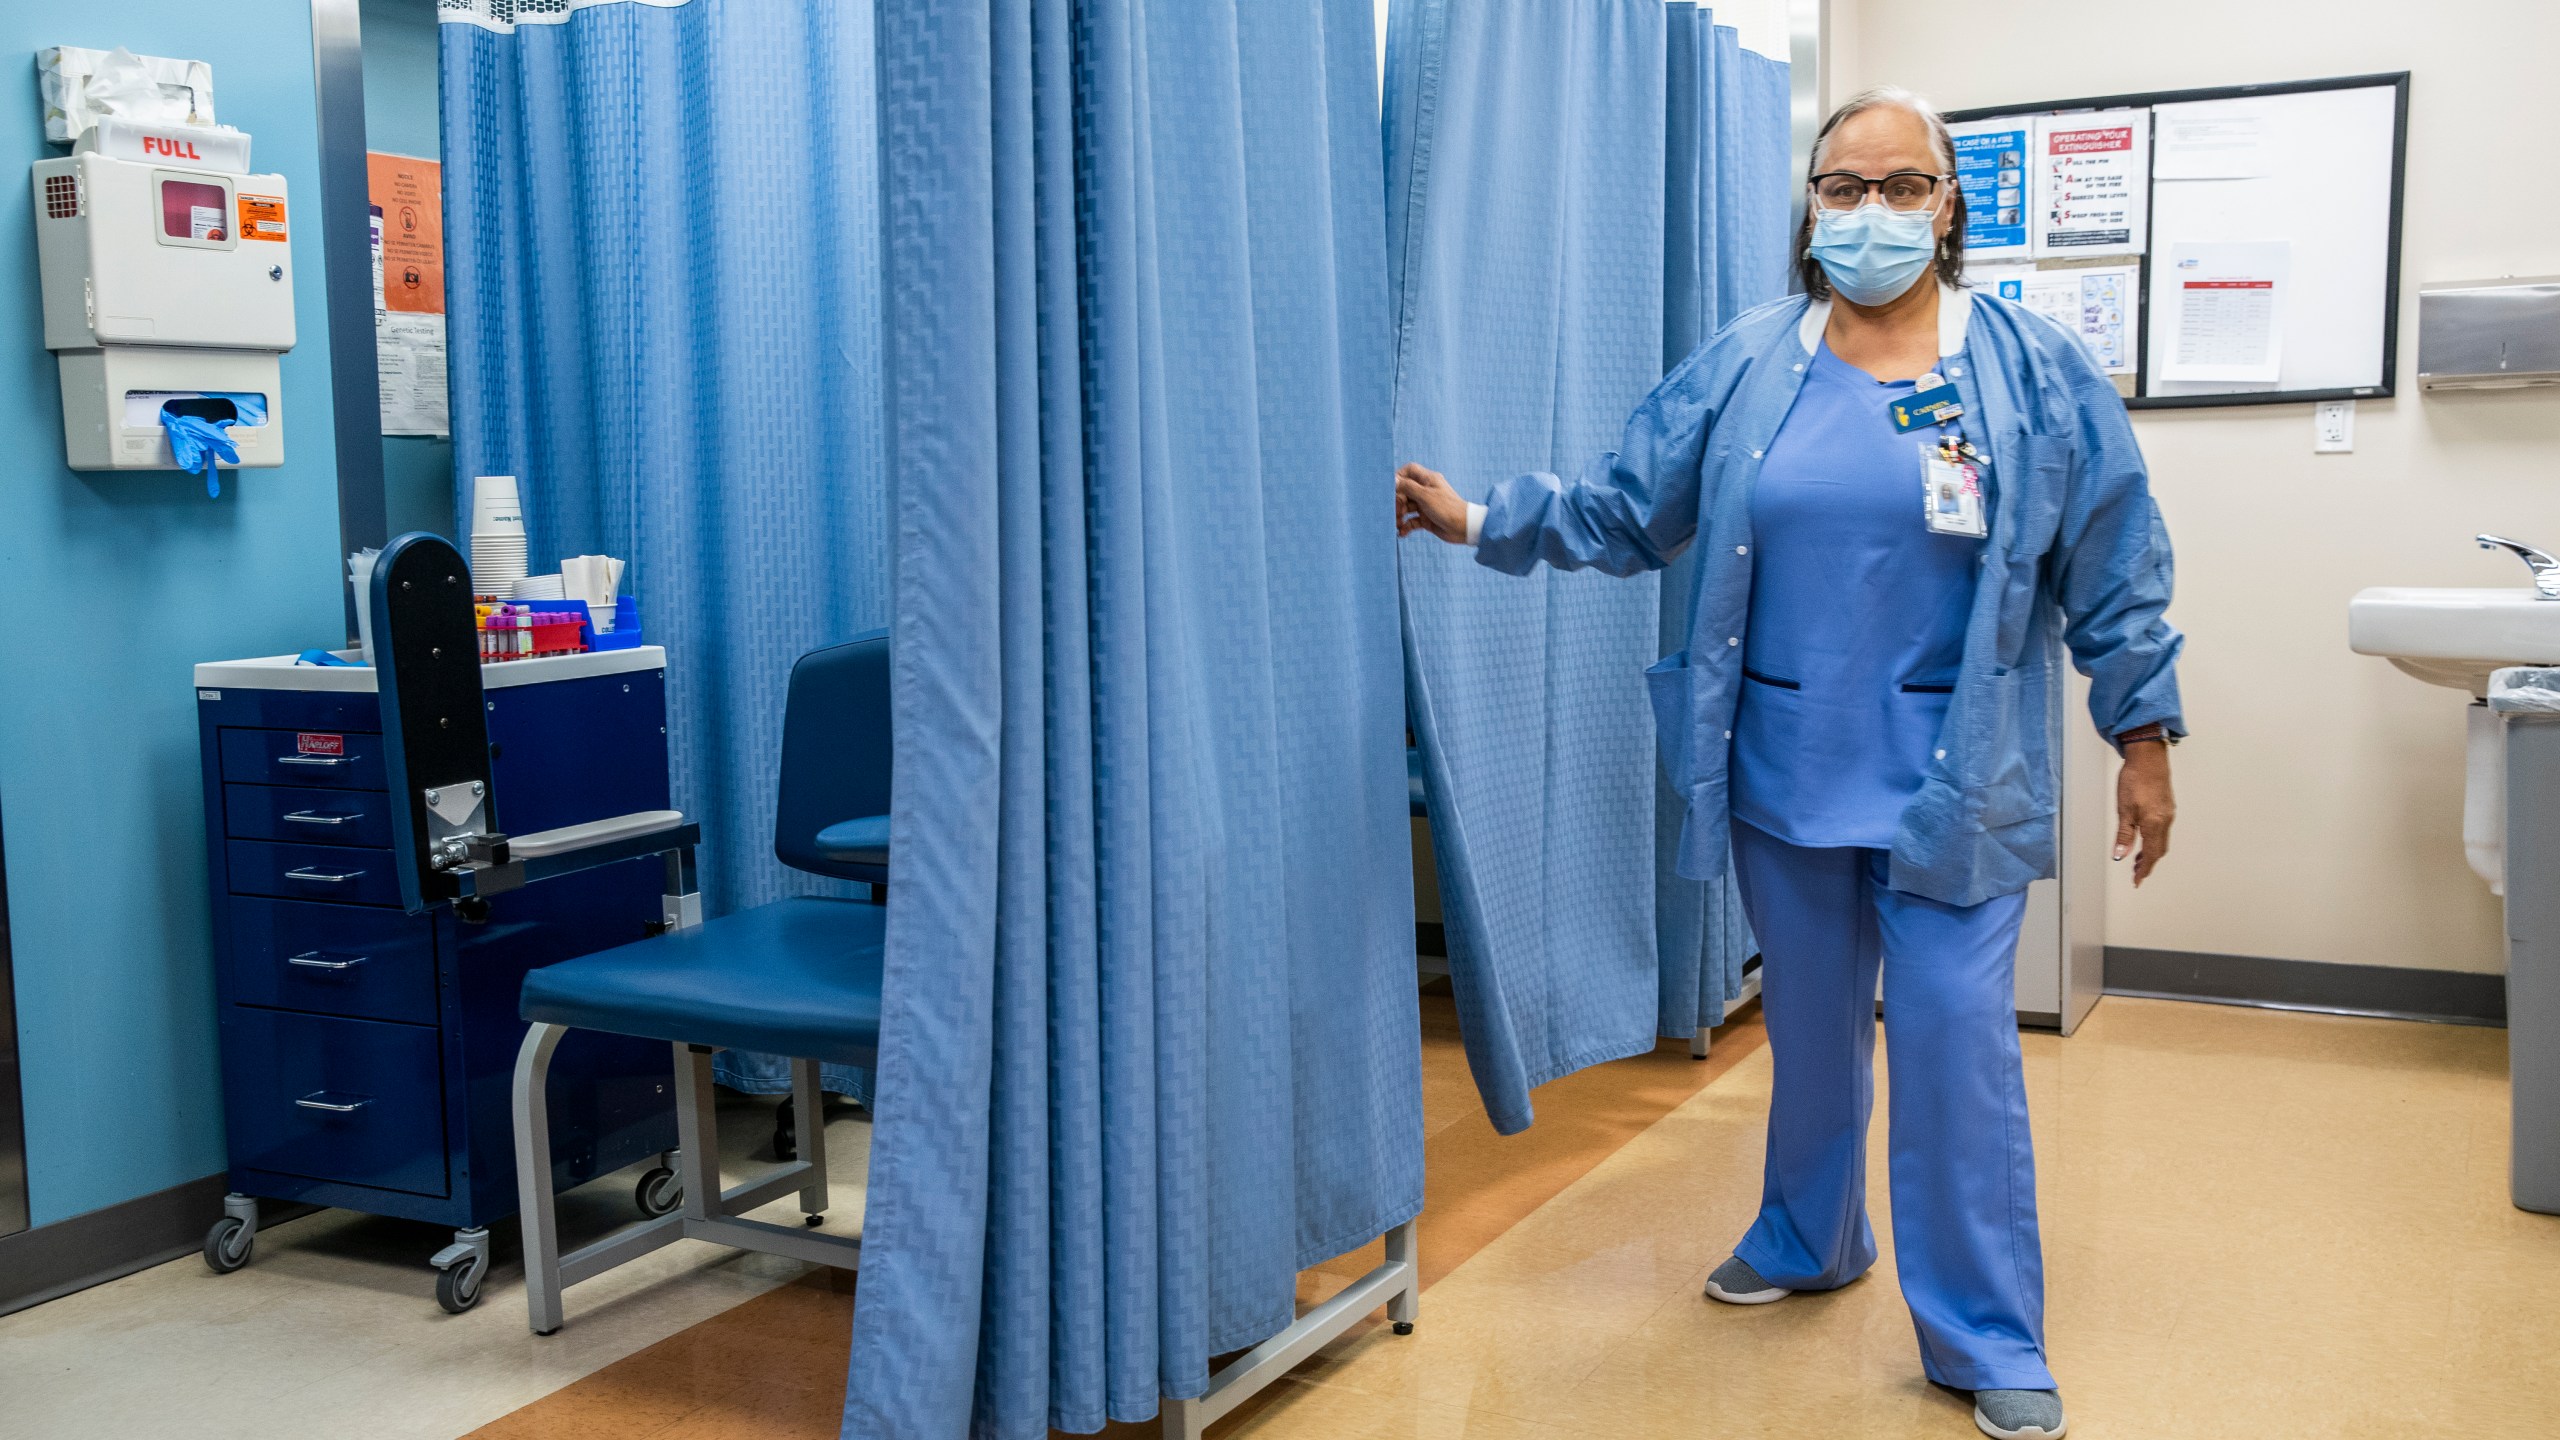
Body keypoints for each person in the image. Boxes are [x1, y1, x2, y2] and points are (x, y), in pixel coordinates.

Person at [1394, 87, 2181, 1440]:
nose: (1870, 212)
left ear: (1951, 206)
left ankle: (1986, 1337)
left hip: (1959, 772)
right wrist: (1480, 520)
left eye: (1901, 186)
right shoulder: (1752, 361)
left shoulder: (2034, 370)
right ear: (1810, 207)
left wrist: (2144, 735)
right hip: (1787, 765)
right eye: (1843, 187)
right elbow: (1629, 506)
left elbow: (2115, 562)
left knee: (1954, 1051)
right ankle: (1811, 1238)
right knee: (1811, 1036)